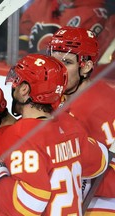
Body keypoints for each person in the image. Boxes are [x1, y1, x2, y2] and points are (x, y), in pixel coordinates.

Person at [0, 53, 109, 215]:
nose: (13, 87)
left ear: (24, 90)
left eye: (16, 82)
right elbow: (100, 161)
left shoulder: (20, 135)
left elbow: (30, 203)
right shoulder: (70, 124)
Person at [48, 26, 115, 214]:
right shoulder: (54, 95)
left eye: (67, 62)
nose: (57, 69)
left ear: (86, 66)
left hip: (103, 201)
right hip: (74, 194)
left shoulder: (100, 105)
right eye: (54, 60)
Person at [18, 0, 109, 60]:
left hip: (65, 82)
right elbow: (23, 34)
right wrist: (19, 55)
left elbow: (71, 56)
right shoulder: (42, 4)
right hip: (31, 73)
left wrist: (32, 60)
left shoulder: (94, 14)